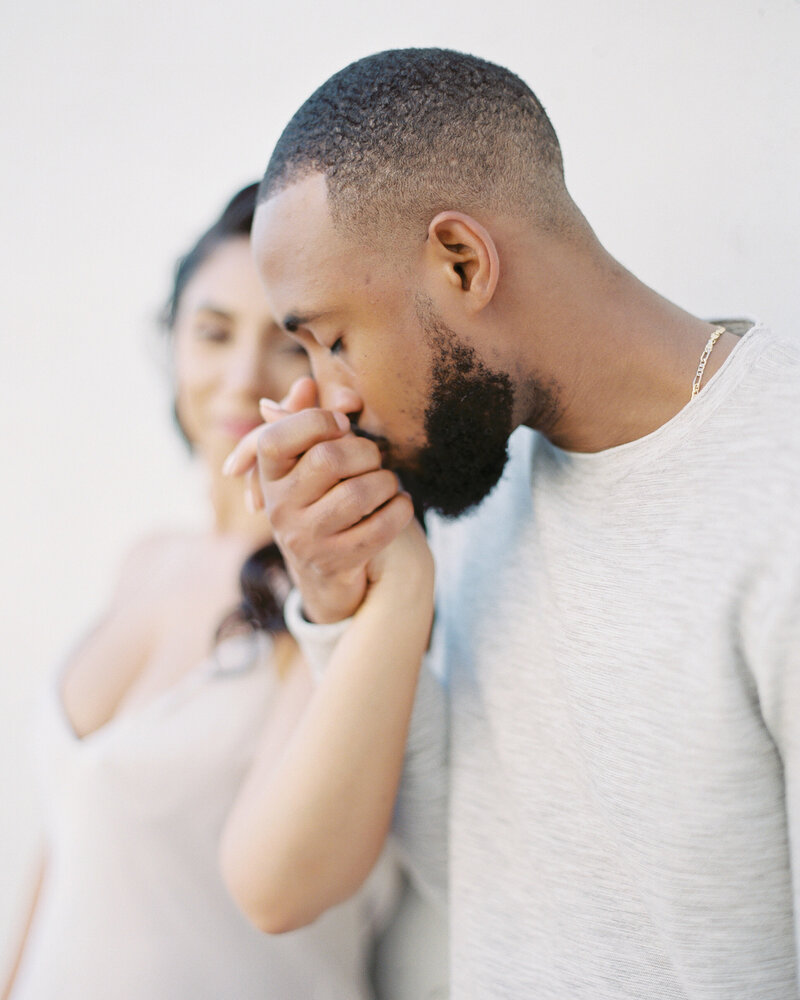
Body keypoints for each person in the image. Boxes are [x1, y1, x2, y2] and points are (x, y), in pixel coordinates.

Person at [224, 48, 800, 999]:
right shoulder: (481, 476)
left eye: (331, 338)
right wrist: (362, 593)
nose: (326, 399)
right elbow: (486, 879)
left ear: (462, 261)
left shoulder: (777, 487)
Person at [3, 182, 446, 1000]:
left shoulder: (342, 588)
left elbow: (286, 884)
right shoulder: (145, 560)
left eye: (285, 342)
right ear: (171, 343)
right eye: (212, 333)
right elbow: (66, 848)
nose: (242, 378)